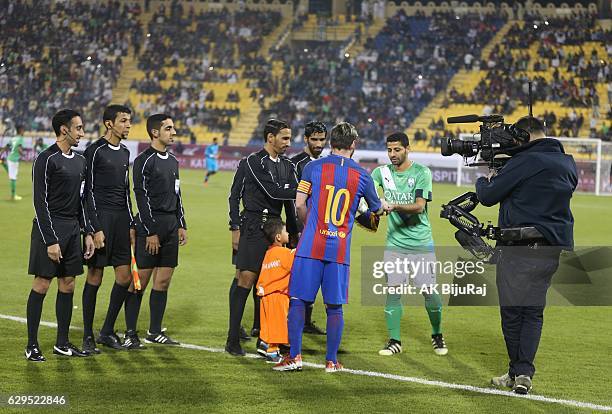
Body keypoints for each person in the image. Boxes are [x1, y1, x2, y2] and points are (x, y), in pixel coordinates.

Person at [476, 116, 577, 395]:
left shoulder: (525, 162)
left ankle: (518, 372)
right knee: (533, 312)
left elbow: (488, 196)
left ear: (523, 136)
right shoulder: (567, 162)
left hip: (518, 248)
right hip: (551, 248)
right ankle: (522, 374)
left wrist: (484, 180)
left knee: (512, 312)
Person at [274, 122, 384, 372]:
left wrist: (310, 225)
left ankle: (295, 357)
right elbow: (376, 210)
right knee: (334, 306)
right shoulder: (363, 176)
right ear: (353, 144)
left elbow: (299, 204)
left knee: (299, 301)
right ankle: (332, 361)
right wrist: (381, 206)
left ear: (331, 142)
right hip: (339, 250)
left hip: (310, 245)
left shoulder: (313, 167)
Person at [25, 109, 95, 361]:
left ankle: (62, 342)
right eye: (78, 128)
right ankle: (32, 344)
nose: (82, 133)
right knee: (42, 284)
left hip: (72, 229)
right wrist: (51, 240)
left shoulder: (80, 161)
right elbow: (39, 203)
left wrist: (87, 232)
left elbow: (83, 201)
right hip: (49, 228)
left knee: (68, 284)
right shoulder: (46, 159)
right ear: (64, 129)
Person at [371, 132, 447, 357]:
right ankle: (395, 341)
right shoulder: (381, 172)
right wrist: (370, 205)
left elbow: (419, 206)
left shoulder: (422, 172)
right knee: (393, 292)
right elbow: (367, 191)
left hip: (421, 244)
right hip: (395, 245)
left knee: (429, 293)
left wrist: (391, 205)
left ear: (407, 149)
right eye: (389, 150)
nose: (392, 154)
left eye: (397, 150)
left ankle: (437, 334)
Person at [226, 119, 298, 356]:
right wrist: (235, 226)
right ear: (270, 138)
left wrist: (293, 237)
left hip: (276, 228)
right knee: (245, 280)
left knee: (269, 284)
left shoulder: (288, 165)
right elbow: (242, 195)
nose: (289, 143)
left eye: (289, 138)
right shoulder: (252, 162)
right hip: (253, 226)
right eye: (285, 138)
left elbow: (289, 203)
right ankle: (232, 338)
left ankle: (265, 337)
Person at [127, 113, 187, 346]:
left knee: (163, 281)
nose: (173, 132)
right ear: (155, 132)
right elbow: (141, 197)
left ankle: (154, 331)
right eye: (169, 128)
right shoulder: (144, 160)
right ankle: (130, 333)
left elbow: (177, 194)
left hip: (171, 225)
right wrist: (150, 230)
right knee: (139, 281)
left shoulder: (173, 161)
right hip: (150, 227)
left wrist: (181, 223)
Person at [81, 105, 136, 353]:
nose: (128, 125)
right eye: (123, 121)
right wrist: (94, 228)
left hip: (121, 220)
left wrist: (131, 223)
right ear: (109, 124)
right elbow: (87, 192)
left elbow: (126, 191)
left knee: (124, 278)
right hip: (101, 219)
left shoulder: (124, 153)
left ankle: (106, 331)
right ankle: (87, 336)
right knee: (95, 276)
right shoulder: (95, 151)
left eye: (129, 121)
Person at [290, 120, 328, 335]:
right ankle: (291, 321)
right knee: (297, 275)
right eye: (314, 139)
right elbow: (294, 200)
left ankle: (306, 321)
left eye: (322, 139)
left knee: (314, 275)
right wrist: (296, 229)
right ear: (305, 139)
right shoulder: (297, 164)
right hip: (300, 228)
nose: (319, 143)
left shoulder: (324, 163)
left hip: (318, 229)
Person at [256, 218, 294, 363]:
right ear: (278, 237)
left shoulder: (269, 253)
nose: (288, 233)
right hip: (278, 294)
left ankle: (264, 344)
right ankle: (273, 353)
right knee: (278, 324)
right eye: (285, 231)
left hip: (264, 294)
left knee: (267, 324)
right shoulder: (284, 253)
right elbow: (295, 258)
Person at [228, 156, 253, 342]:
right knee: (240, 276)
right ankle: (234, 327)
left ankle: (260, 327)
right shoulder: (247, 163)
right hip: (246, 227)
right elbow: (234, 195)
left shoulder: (283, 164)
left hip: (270, 228)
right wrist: (235, 227)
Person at [7, 125, 25, 201]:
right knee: (13, 177)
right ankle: (13, 195)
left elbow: (7, 146)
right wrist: (22, 154)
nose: (24, 132)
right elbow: (19, 148)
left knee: (12, 176)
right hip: (14, 160)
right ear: (20, 130)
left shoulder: (13, 138)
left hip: (10, 158)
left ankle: (13, 195)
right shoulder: (20, 138)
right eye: (23, 130)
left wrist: (1, 152)